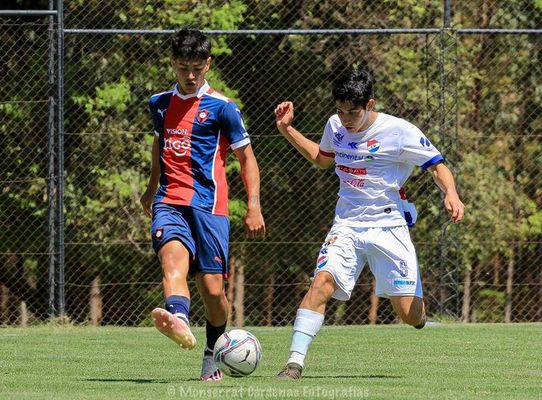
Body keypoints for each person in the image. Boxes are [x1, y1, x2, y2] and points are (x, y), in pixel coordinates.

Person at [274, 69, 464, 379]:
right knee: (321, 283)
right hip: (346, 225)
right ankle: (294, 364)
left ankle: (420, 316)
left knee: (408, 315)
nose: (346, 118)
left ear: (370, 104)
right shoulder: (335, 126)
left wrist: (452, 194)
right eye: (340, 110)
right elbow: (323, 160)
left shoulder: (399, 131)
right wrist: (287, 130)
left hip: (388, 227)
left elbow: (436, 165)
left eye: (353, 111)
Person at [140, 28, 265, 382]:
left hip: (210, 208)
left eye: (197, 68)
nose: (190, 75)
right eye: (183, 68)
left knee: (212, 290)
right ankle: (178, 318)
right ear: (172, 64)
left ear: (208, 64)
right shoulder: (159, 104)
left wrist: (253, 205)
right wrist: (152, 190)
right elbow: (158, 147)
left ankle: (211, 353)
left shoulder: (223, 108)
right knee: (172, 262)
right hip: (169, 201)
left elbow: (247, 158)